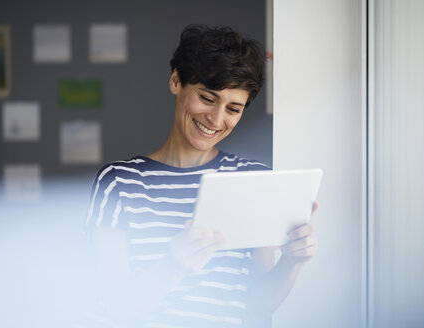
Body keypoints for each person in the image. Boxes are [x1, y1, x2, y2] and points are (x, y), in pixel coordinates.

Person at [85, 24, 318, 328]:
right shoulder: (119, 182)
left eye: (233, 108)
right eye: (207, 98)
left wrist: (293, 261)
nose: (216, 119)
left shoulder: (253, 181)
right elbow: (115, 309)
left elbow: (256, 308)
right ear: (176, 81)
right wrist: (172, 267)